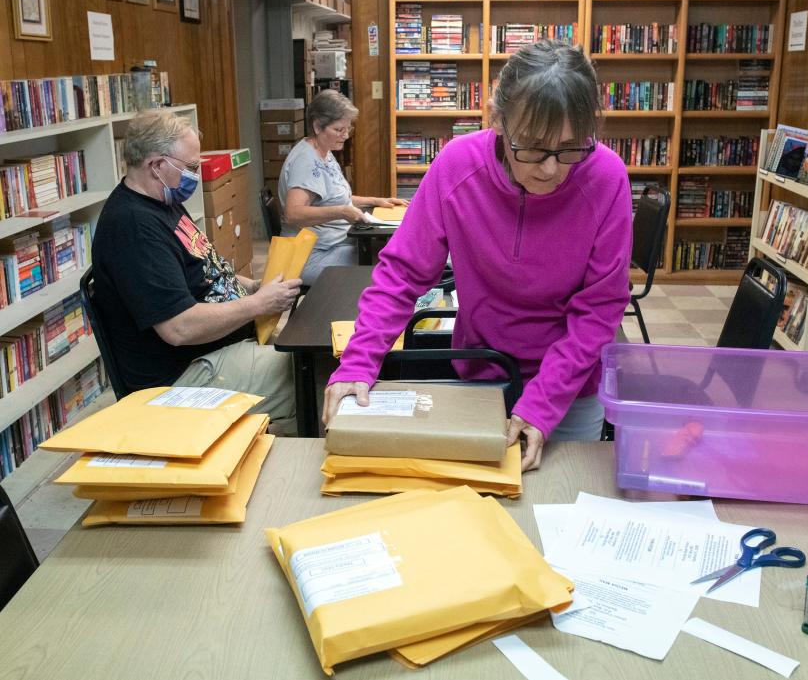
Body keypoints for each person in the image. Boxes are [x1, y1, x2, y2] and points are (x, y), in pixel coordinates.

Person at [322, 40, 632, 471]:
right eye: (533, 147)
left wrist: (542, 405)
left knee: (558, 505)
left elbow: (599, 309)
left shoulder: (606, 177)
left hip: (571, 387)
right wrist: (359, 363)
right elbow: (402, 274)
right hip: (482, 374)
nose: (549, 168)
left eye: (570, 148)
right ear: (497, 119)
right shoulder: (456, 166)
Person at [92, 109, 302, 433]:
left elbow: (205, 270)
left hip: (221, 348)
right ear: (156, 166)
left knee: (309, 348)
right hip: (183, 376)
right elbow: (179, 328)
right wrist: (258, 304)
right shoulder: (133, 228)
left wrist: (254, 285)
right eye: (190, 167)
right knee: (310, 371)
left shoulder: (162, 200)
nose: (197, 175)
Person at [279, 89, 406, 284]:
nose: (345, 135)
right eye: (339, 130)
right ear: (317, 126)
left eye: (348, 129)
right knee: (390, 262)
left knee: (391, 251)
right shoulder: (305, 160)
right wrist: (342, 211)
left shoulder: (324, 152)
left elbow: (332, 197)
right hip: (310, 257)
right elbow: (293, 214)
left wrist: (376, 200)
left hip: (334, 244)